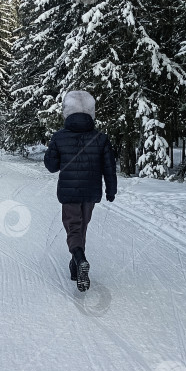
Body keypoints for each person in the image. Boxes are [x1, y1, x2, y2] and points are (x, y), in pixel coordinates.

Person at [44, 90, 117, 292]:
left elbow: (51, 166)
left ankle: (79, 258)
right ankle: (76, 265)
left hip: (69, 192)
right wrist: (111, 190)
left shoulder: (59, 136)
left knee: (73, 227)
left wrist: (52, 150)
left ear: (67, 112)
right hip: (91, 191)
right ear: (91, 112)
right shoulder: (101, 138)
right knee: (82, 226)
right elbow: (109, 167)